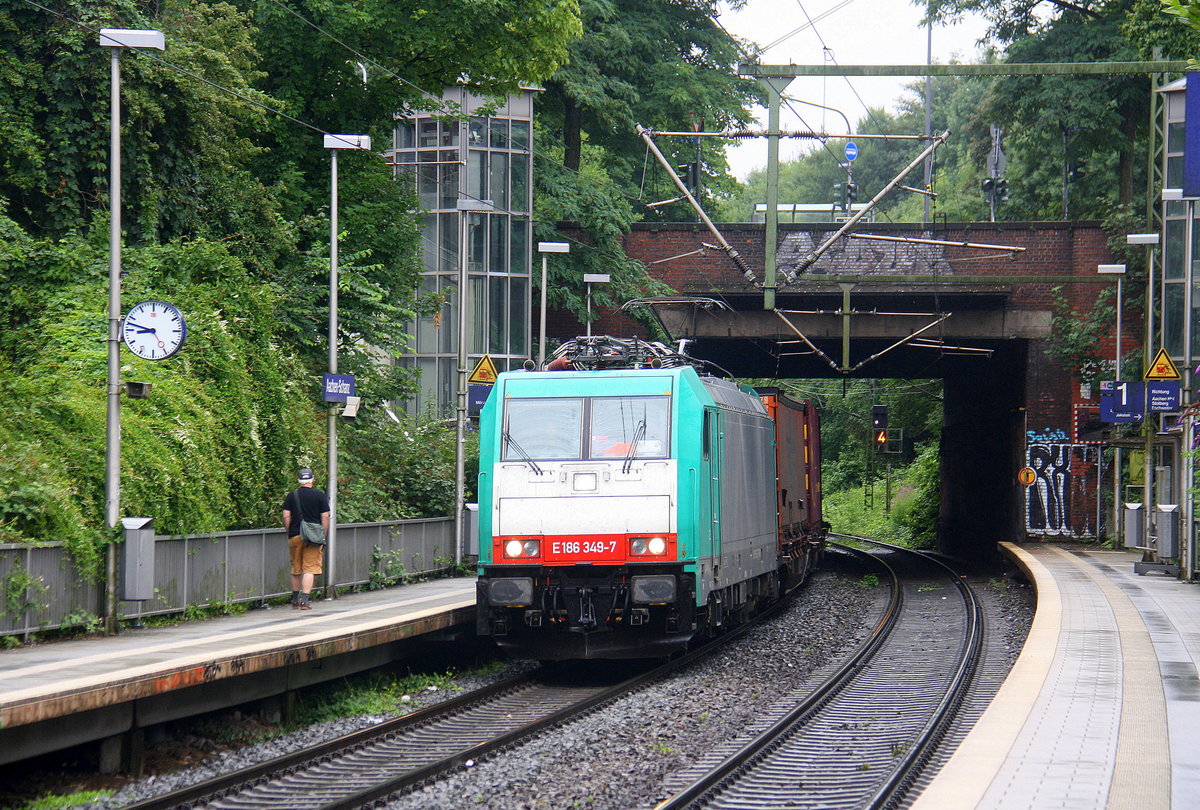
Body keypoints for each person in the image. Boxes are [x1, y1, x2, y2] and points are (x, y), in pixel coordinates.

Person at [282, 467, 330, 610]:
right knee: (309, 568)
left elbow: (286, 515)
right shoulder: (319, 495)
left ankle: (295, 600)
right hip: (313, 538)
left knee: (296, 568)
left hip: (295, 535)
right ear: (312, 480)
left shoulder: (292, 495)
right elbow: (325, 516)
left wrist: (290, 530)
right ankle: (305, 601)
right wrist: (323, 534)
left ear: (298, 480)